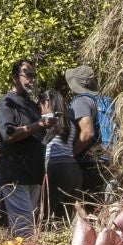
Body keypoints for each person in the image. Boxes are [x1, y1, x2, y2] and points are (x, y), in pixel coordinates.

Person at [0, 60, 47, 236]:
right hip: (15, 175)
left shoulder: (31, 105)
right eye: (28, 75)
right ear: (15, 78)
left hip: (33, 175)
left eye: (34, 75)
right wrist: (39, 124)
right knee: (25, 230)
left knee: (28, 228)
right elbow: (9, 135)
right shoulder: (7, 104)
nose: (32, 80)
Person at [64, 64, 111, 205]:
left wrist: (70, 154)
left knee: (90, 206)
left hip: (90, 162)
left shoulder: (80, 102)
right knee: (105, 206)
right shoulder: (105, 100)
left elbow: (87, 133)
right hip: (109, 157)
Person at [40, 87, 83, 221]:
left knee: (43, 215)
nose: (39, 108)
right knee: (66, 218)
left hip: (56, 170)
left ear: (46, 103)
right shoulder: (70, 123)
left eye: (39, 105)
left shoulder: (47, 122)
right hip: (74, 170)